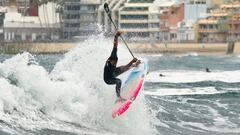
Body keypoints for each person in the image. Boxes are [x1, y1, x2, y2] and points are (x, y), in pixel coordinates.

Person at [104, 31, 139, 101]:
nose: (115, 63)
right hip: (108, 79)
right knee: (119, 81)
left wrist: (116, 36)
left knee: (123, 68)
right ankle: (118, 97)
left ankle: (134, 65)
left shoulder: (113, 55)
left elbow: (115, 45)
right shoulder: (109, 65)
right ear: (110, 62)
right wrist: (132, 61)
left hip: (113, 73)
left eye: (115, 62)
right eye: (113, 63)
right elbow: (125, 67)